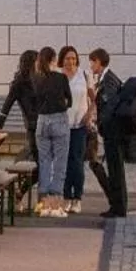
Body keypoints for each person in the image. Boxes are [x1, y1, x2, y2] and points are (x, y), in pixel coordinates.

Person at [86, 48, 127, 219]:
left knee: (115, 170)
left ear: (98, 61)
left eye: (92, 62)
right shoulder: (107, 78)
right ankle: (117, 205)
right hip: (112, 131)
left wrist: (101, 122)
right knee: (114, 169)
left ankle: (118, 207)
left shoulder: (108, 80)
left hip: (112, 132)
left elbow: (110, 104)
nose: (91, 66)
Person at [32, 46, 72, 218]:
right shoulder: (61, 77)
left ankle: (44, 205)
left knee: (45, 162)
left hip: (42, 121)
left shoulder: (36, 78)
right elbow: (69, 100)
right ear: (54, 60)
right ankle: (55, 205)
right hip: (59, 119)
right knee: (60, 162)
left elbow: (35, 101)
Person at [59, 45, 90, 215]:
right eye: (67, 58)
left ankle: (77, 198)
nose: (71, 61)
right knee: (63, 162)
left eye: (73, 58)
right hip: (62, 125)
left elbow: (94, 97)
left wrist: (90, 115)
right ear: (62, 60)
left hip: (79, 126)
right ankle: (66, 197)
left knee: (77, 162)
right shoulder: (58, 76)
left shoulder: (84, 75)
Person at [0, 49, 40, 150]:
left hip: (46, 125)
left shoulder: (41, 80)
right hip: (33, 127)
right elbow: (7, 106)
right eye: (38, 61)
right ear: (31, 64)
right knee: (37, 154)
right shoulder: (18, 84)